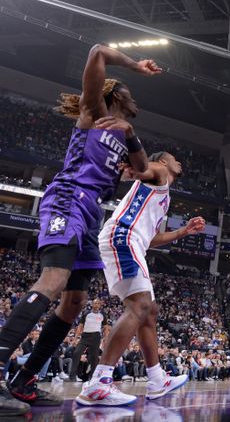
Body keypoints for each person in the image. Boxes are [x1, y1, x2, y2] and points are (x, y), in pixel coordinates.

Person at [0, 44, 160, 416]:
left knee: (75, 303)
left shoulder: (123, 133)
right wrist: (135, 63)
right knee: (54, 278)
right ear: (116, 95)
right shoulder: (93, 113)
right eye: (130, 95)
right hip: (69, 197)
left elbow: (139, 165)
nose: (134, 100)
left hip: (91, 213)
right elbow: (98, 51)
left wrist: (131, 131)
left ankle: (25, 379)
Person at [77, 152, 205, 406]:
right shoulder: (158, 170)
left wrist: (182, 231)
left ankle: (157, 379)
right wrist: (132, 164)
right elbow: (143, 166)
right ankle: (99, 382)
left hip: (135, 241)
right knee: (140, 306)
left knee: (150, 311)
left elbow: (152, 237)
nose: (179, 161)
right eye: (174, 157)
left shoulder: (161, 192)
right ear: (164, 162)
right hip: (123, 236)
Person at [67, 299, 110, 382]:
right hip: (85, 336)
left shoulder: (103, 315)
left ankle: (93, 377)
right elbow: (80, 326)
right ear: (92, 304)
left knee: (94, 358)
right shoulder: (86, 313)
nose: (96, 305)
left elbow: (105, 328)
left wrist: (106, 339)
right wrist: (75, 338)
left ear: (100, 305)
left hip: (96, 337)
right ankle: (72, 376)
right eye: (95, 303)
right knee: (77, 353)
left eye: (98, 303)